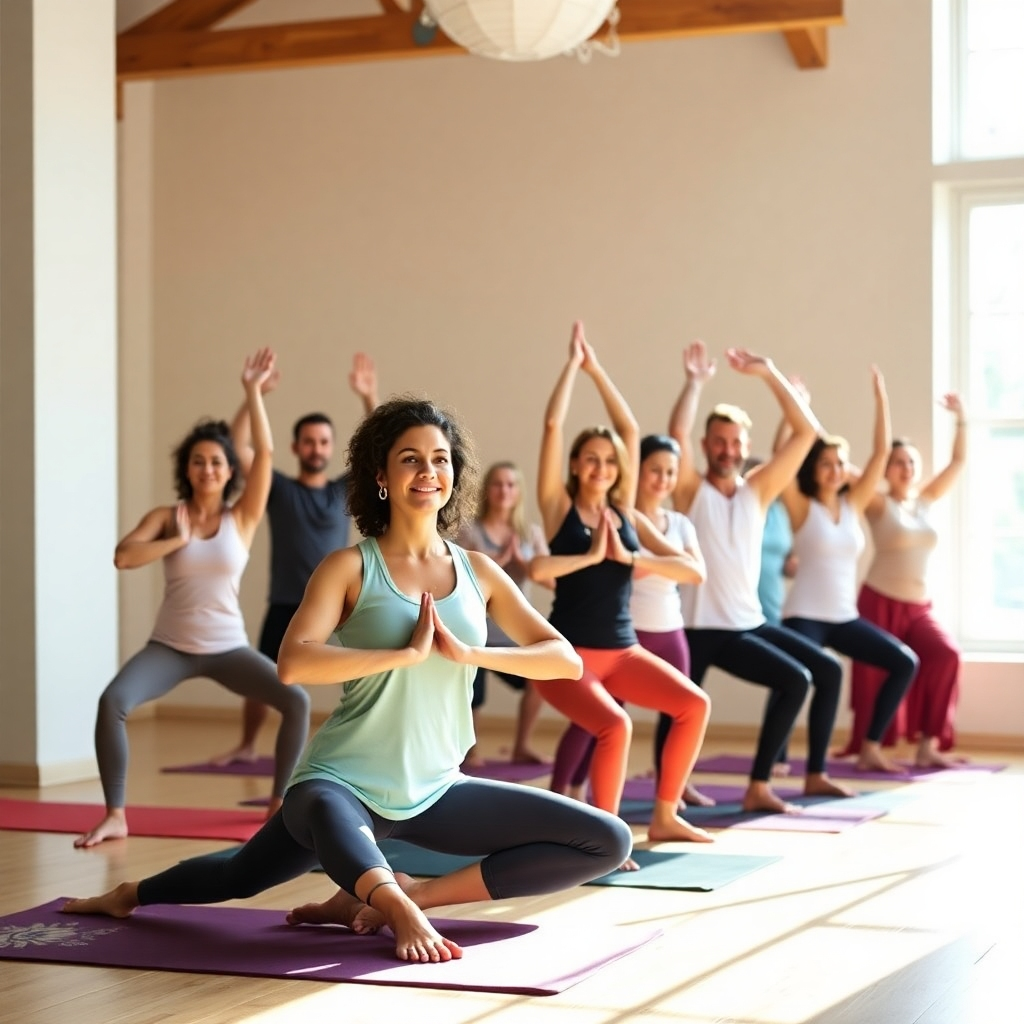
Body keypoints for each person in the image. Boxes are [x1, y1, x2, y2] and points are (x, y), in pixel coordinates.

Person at [64, 396, 632, 964]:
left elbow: (564, 659)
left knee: (607, 840)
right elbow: (294, 662)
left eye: (440, 459)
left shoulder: (478, 571)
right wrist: (401, 656)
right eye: (410, 459)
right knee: (244, 872)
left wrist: (470, 652)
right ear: (380, 476)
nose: (428, 471)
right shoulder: (350, 567)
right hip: (341, 780)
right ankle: (129, 894)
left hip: (436, 786)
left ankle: (413, 895)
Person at [75, 349, 311, 848]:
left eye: (217, 461)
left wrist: (251, 393)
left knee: (294, 699)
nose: (208, 468)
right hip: (170, 646)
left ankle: (277, 808)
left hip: (227, 648)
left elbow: (265, 456)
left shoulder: (241, 518)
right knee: (112, 702)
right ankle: (115, 813)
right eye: (199, 460)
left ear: (229, 472)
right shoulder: (168, 516)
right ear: (188, 468)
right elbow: (123, 556)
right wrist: (174, 542)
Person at [529, 322, 713, 858]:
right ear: (574, 466)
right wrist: (572, 368)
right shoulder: (558, 507)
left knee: (692, 705)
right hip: (568, 656)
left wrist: (597, 369)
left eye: (609, 462)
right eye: (590, 459)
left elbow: (629, 429)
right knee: (615, 724)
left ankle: (664, 816)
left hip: (622, 649)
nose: (602, 467)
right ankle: (604, 841)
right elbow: (551, 423)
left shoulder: (623, 509)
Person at [666, 340, 847, 813]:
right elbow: (676, 433)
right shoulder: (690, 491)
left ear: (747, 449)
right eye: (720, 442)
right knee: (678, 706)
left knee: (816, 673)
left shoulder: (759, 491)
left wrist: (770, 374)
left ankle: (770, 783)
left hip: (746, 622)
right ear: (708, 447)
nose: (728, 450)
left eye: (736, 443)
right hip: (696, 625)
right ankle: (674, 786)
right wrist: (695, 384)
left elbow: (809, 433)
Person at [211, 353, 379, 766]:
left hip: (343, 604)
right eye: (309, 441)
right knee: (262, 677)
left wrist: (369, 397)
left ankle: (368, 744)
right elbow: (239, 448)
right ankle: (248, 744)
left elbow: (379, 453)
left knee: (371, 669)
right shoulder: (281, 489)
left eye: (323, 441)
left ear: (330, 448)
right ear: (295, 447)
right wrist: (253, 395)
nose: (316, 448)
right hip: (287, 600)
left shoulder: (342, 490)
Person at [553, 434, 713, 807]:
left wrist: (632, 558)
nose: (662, 478)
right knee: (602, 722)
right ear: (637, 472)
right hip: (620, 630)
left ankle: (669, 801)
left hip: (663, 630)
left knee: (687, 708)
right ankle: (566, 794)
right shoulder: (615, 512)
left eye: (670, 472)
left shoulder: (669, 523)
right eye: (654, 470)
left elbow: (693, 571)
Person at [778, 368, 919, 777]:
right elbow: (783, 459)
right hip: (804, 616)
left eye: (840, 463)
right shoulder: (803, 507)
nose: (835, 469)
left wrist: (881, 401)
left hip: (844, 618)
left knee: (903, 662)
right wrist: (797, 408)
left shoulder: (855, 505)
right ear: (813, 468)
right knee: (794, 678)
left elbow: (878, 457)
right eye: (826, 463)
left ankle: (870, 746)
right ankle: (778, 755)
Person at [839, 395, 968, 768]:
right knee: (874, 676)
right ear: (885, 470)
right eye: (897, 463)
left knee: (946, 655)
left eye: (911, 462)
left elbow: (958, 461)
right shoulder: (878, 503)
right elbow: (840, 466)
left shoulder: (926, 501)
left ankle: (929, 745)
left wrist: (961, 418)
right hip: (879, 601)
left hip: (918, 606)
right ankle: (869, 748)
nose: (906, 468)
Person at [456, 461, 550, 766]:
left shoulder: (530, 533)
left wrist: (522, 563)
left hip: (513, 634)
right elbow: (455, 572)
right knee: (473, 694)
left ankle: (522, 745)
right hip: (477, 632)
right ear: (487, 490)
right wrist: (496, 560)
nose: (504, 490)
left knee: (541, 681)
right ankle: (470, 752)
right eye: (497, 483)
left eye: (511, 484)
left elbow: (549, 578)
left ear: (519, 492)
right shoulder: (471, 529)